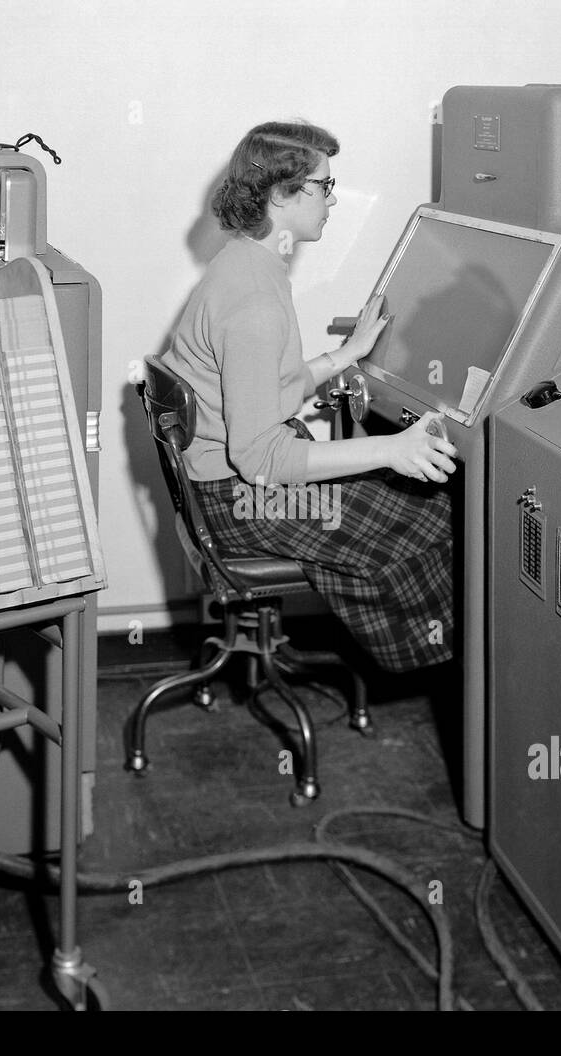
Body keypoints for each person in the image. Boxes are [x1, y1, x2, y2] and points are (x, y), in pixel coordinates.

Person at [158, 121, 458, 673]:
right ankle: (446, 666)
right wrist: (390, 451)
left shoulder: (246, 261)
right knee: (438, 521)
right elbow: (262, 460)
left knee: (405, 497)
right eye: (322, 185)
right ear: (279, 194)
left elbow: (260, 391)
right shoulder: (255, 302)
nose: (332, 198)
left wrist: (342, 357)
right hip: (244, 503)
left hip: (224, 485)